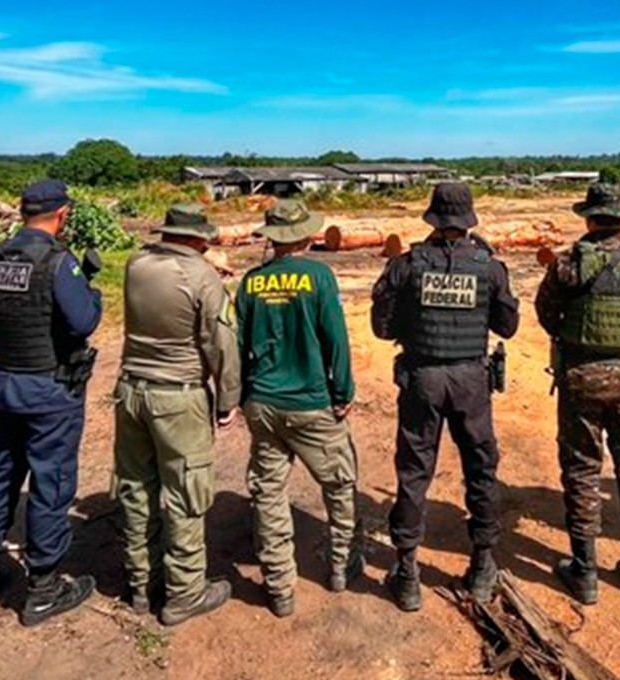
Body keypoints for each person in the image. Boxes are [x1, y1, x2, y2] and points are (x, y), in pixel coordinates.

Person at [0, 179, 104, 626]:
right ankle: (43, 588)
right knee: (51, 482)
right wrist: (93, 293)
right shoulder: (58, 263)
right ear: (62, 216)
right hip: (48, 388)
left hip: (4, 382)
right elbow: (83, 322)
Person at [371, 182, 520, 611]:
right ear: (469, 218)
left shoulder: (407, 265)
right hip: (471, 380)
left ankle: (409, 572)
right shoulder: (490, 267)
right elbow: (507, 327)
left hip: (422, 378)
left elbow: (382, 328)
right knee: (481, 468)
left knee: (415, 470)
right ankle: (483, 565)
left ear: (433, 217)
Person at [534, 183, 620, 605]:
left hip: (581, 379)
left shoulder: (569, 262)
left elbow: (544, 311)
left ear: (589, 218)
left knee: (582, 469)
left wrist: (571, 336)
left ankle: (585, 571)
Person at [114, 204, 240, 626]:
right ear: (194, 238)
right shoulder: (202, 277)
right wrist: (227, 399)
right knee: (187, 494)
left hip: (131, 390)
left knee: (136, 488)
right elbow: (220, 343)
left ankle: (140, 584)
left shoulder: (137, 264)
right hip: (178, 396)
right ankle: (185, 592)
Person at [235, 198, 358, 619]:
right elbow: (335, 339)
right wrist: (343, 392)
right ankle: (340, 566)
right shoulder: (320, 277)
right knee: (339, 484)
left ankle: (279, 587)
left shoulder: (250, 282)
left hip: (264, 403)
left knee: (269, 493)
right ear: (306, 235)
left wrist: (236, 399)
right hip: (311, 403)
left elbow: (237, 347)